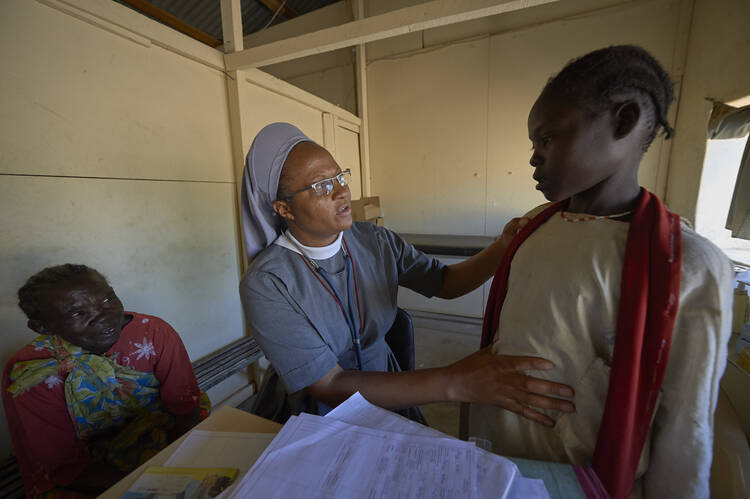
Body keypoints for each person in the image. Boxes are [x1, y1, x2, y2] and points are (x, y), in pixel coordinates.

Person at [468, 45, 733, 498]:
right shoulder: (534, 229)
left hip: (591, 483)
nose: (534, 157)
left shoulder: (690, 266)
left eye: (547, 139)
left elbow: (687, 429)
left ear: (624, 121)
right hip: (503, 466)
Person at [238, 122, 577, 425]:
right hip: (317, 414)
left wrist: (502, 246)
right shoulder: (268, 281)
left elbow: (444, 283)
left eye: (340, 176)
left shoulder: (374, 241)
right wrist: (455, 381)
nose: (341, 191)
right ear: (284, 209)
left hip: (391, 393)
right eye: (322, 185)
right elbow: (328, 385)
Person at [3, 264, 207, 497]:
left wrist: (178, 467)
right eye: (78, 313)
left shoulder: (153, 332)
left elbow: (184, 406)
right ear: (42, 327)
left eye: (108, 300)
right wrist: (152, 485)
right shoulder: (31, 372)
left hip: (162, 438)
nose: (105, 318)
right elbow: (62, 463)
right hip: (88, 472)